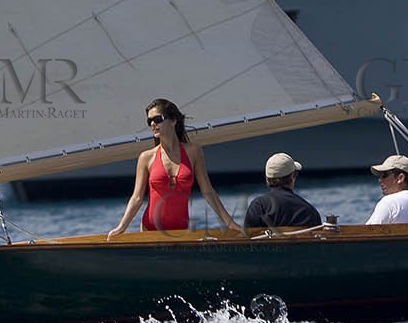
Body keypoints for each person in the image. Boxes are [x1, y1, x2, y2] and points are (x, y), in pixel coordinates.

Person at [107, 99, 241, 237]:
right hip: (150, 230)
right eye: (149, 121)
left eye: (157, 119)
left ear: (173, 120)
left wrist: (230, 223)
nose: (152, 124)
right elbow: (137, 198)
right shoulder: (146, 157)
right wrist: (121, 227)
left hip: (181, 231)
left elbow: (208, 191)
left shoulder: (193, 152)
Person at [244, 152, 321, 229]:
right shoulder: (309, 211)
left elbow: (249, 235)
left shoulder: (258, 206)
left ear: (267, 179)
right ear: (293, 176)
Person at [366, 154, 408, 224]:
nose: (380, 180)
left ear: (400, 178)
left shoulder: (389, 202)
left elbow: (370, 230)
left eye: (384, 175)